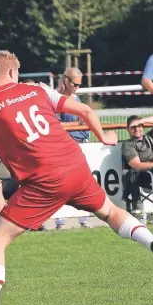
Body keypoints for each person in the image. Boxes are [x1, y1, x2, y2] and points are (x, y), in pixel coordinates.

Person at [0, 50, 153, 305]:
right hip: (74, 164)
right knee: (109, 211)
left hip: (43, 180)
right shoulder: (37, 90)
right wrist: (103, 136)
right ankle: (152, 242)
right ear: (13, 72)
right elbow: (83, 109)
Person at [55, 67, 91, 229]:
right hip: (66, 147)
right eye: (75, 84)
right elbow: (55, 124)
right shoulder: (56, 99)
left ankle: (83, 217)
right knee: (64, 183)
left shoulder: (76, 99)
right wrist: (76, 124)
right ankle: (60, 220)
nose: (77, 87)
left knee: (82, 182)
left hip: (82, 143)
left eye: (79, 85)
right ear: (66, 81)